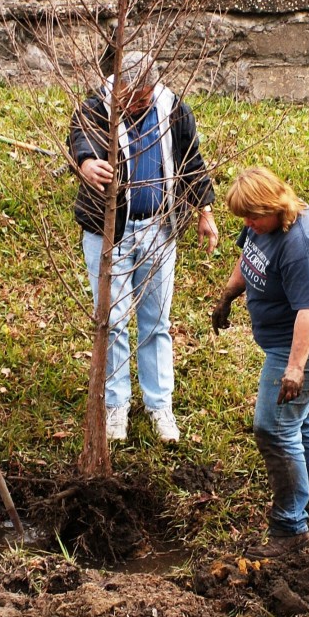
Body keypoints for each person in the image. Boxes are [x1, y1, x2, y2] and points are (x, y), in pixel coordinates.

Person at [69, 50, 218, 444]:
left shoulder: (173, 109)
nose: (142, 101)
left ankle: (159, 406)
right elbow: (79, 140)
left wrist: (204, 210)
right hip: (110, 234)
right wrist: (85, 164)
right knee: (113, 321)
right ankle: (116, 406)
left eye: (147, 93)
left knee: (156, 322)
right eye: (134, 95)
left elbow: (191, 161)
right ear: (116, 87)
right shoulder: (94, 108)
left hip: (159, 230)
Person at [211, 166, 309, 559]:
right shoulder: (263, 224)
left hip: (306, 343)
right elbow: (247, 255)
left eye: (252, 216)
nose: (248, 224)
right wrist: (229, 294)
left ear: (273, 205)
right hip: (288, 341)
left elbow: (308, 310)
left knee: (274, 428)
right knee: (303, 419)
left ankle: (290, 527)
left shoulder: (300, 243)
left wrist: (296, 368)